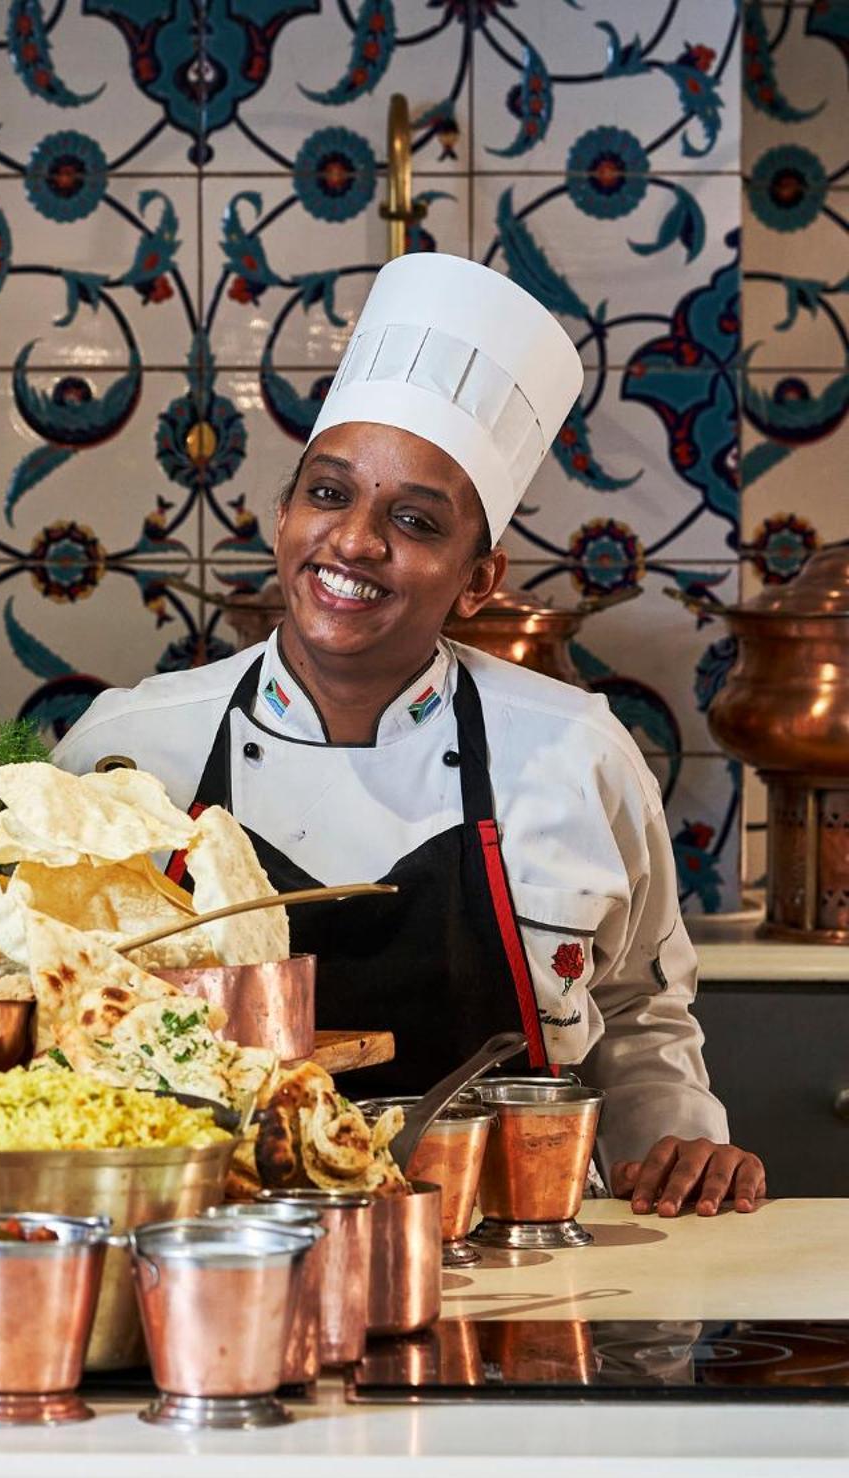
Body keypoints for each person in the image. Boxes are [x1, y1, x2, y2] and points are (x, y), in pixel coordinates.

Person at [54, 252, 764, 1217]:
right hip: (213, 1263)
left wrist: (683, 1147)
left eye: (417, 521)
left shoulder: (577, 755)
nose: (354, 542)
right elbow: (43, 1020)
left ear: (478, 580)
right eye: (330, 494)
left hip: (523, 1261)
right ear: (283, 517)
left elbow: (640, 1014)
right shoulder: (125, 756)